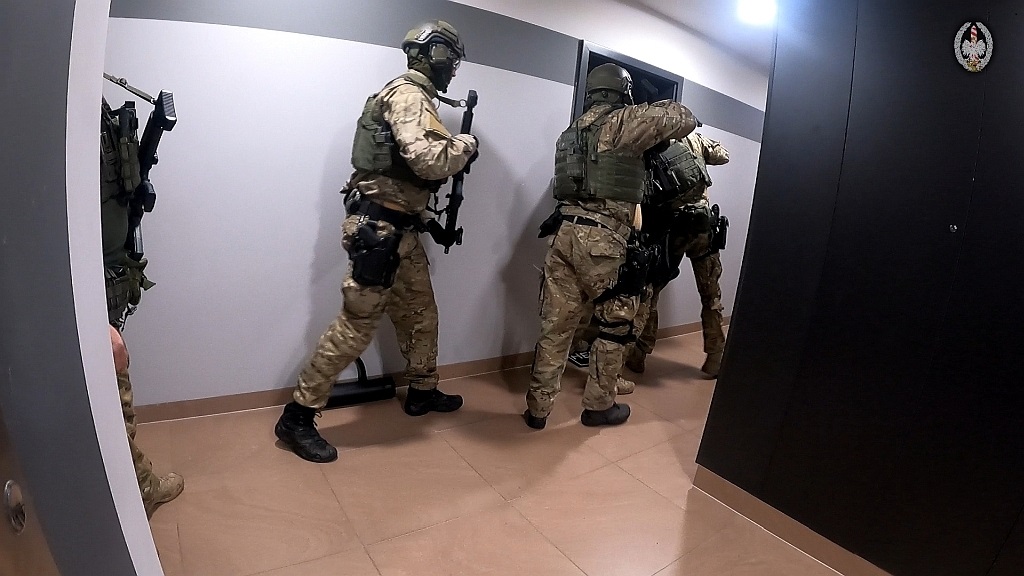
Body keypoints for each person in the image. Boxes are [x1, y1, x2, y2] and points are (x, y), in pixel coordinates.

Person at [274, 20, 478, 463]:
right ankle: (297, 417)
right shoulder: (408, 96)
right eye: (452, 59)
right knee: (355, 327)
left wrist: (428, 220)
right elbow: (427, 161)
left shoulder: (416, 97)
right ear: (437, 54)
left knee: (421, 313)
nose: (453, 69)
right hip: (379, 232)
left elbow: (397, 179)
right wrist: (465, 144)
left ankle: (422, 390)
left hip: (401, 230)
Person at [524, 63, 697, 429]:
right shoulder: (622, 123)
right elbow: (683, 117)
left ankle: (538, 408)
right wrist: (646, 104)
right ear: (623, 91)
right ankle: (599, 405)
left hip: (563, 232)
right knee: (615, 324)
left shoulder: (571, 131)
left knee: (556, 326)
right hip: (603, 239)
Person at [101, 97, 184, 516]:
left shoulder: (84, 111)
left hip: (106, 278)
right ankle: (139, 489)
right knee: (110, 393)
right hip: (87, 291)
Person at [626, 132, 730, 377]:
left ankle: (639, 354)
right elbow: (723, 156)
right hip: (703, 227)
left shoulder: (652, 139)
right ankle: (715, 356)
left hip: (670, 229)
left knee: (651, 292)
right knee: (711, 295)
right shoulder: (696, 138)